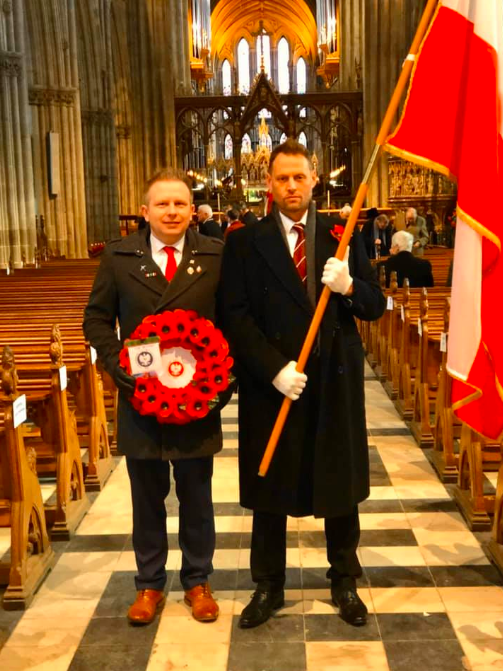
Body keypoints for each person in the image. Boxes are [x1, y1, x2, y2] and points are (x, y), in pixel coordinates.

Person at [218, 140, 385, 630]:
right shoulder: (245, 242)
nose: (291, 186)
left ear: (315, 180)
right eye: (282, 178)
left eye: (299, 177)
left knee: (338, 480)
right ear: (268, 184)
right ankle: (268, 584)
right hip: (273, 381)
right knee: (269, 482)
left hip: (333, 376)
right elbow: (234, 315)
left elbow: (374, 305)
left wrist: (348, 286)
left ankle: (345, 580)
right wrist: (273, 368)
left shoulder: (342, 234)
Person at [83, 168, 230, 626]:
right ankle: (149, 584)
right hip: (141, 397)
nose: (172, 211)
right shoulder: (119, 256)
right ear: (144, 211)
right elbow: (96, 320)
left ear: (193, 211)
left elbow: (234, 320)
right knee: (146, 497)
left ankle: (198, 581)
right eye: (162, 204)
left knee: (196, 496)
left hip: (196, 399)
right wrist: (118, 367)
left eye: (180, 203)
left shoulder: (216, 255)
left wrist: (223, 380)